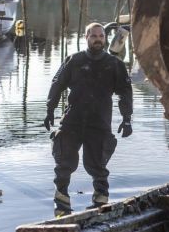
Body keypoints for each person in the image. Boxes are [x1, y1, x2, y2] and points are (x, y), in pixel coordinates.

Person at [44, 22, 134, 216]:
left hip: (99, 122)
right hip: (72, 120)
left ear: (105, 38)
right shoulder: (74, 60)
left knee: (97, 165)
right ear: (86, 37)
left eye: (101, 36)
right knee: (64, 163)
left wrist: (127, 118)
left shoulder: (114, 64)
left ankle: (101, 202)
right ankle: (61, 201)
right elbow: (57, 84)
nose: (98, 40)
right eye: (93, 36)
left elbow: (125, 92)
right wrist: (49, 110)